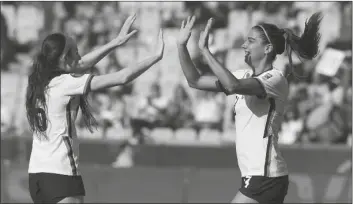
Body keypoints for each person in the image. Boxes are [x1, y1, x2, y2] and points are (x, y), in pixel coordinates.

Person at [177, 13, 322, 203]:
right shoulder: (242, 75)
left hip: (266, 176)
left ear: (268, 48)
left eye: (251, 41)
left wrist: (205, 51)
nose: (244, 45)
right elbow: (195, 81)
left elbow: (232, 86)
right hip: (258, 176)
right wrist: (181, 46)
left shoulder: (275, 79)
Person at [25, 14, 164, 203]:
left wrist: (115, 42)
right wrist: (155, 57)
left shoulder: (38, 82)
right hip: (60, 173)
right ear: (64, 59)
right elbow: (122, 77)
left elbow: (81, 64)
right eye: (75, 51)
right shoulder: (65, 83)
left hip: (36, 176)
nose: (80, 56)